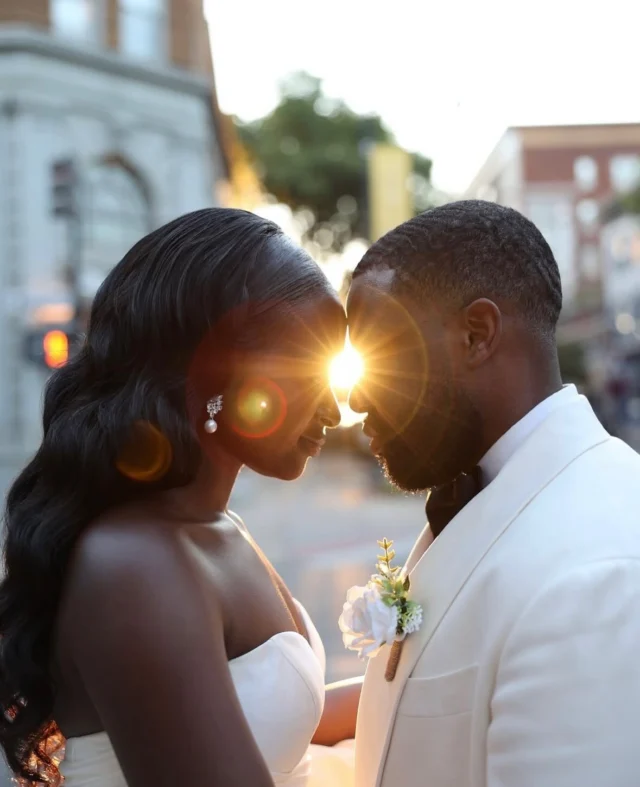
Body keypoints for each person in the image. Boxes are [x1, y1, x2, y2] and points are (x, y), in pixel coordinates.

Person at [0, 208, 357, 787]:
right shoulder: (135, 565)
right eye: (309, 369)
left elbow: (274, 720)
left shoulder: (218, 526)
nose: (334, 410)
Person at [345, 200, 640, 787]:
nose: (355, 399)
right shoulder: (487, 487)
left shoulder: (596, 574)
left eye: (378, 353)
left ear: (476, 335)